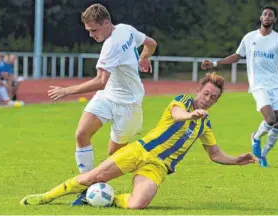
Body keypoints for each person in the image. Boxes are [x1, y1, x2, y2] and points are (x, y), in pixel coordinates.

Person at [20, 72, 257, 209]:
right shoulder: (183, 101)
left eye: (213, 98)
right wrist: (191, 114)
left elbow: (215, 154)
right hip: (140, 151)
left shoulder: (205, 124)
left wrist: (236, 160)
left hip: (157, 167)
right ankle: (45, 197)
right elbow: (177, 115)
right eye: (206, 94)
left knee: (137, 205)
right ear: (198, 91)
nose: (208, 99)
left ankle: (107, 199)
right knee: (92, 176)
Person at [47, 4, 157, 178]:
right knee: (81, 134)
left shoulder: (111, 46)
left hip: (128, 103)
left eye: (94, 30)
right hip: (107, 97)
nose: (91, 35)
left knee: (115, 156)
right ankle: (86, 183)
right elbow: (151, 44)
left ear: (106, 23)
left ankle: (148, 162)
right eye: (89, 31)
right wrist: (144, 57)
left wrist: (66, 91)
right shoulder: (125, 29)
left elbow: (100, 81)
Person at [201, 5, 278, 167]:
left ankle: (263, 156)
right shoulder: (249, 37)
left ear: (274, 20)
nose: (267, 16)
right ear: (261, 18)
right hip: (258, 84)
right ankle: (256, 137)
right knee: (270, 119)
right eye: (264, 14)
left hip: (275, 85)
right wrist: (215, 63)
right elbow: (236, 56)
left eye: (270, 15)